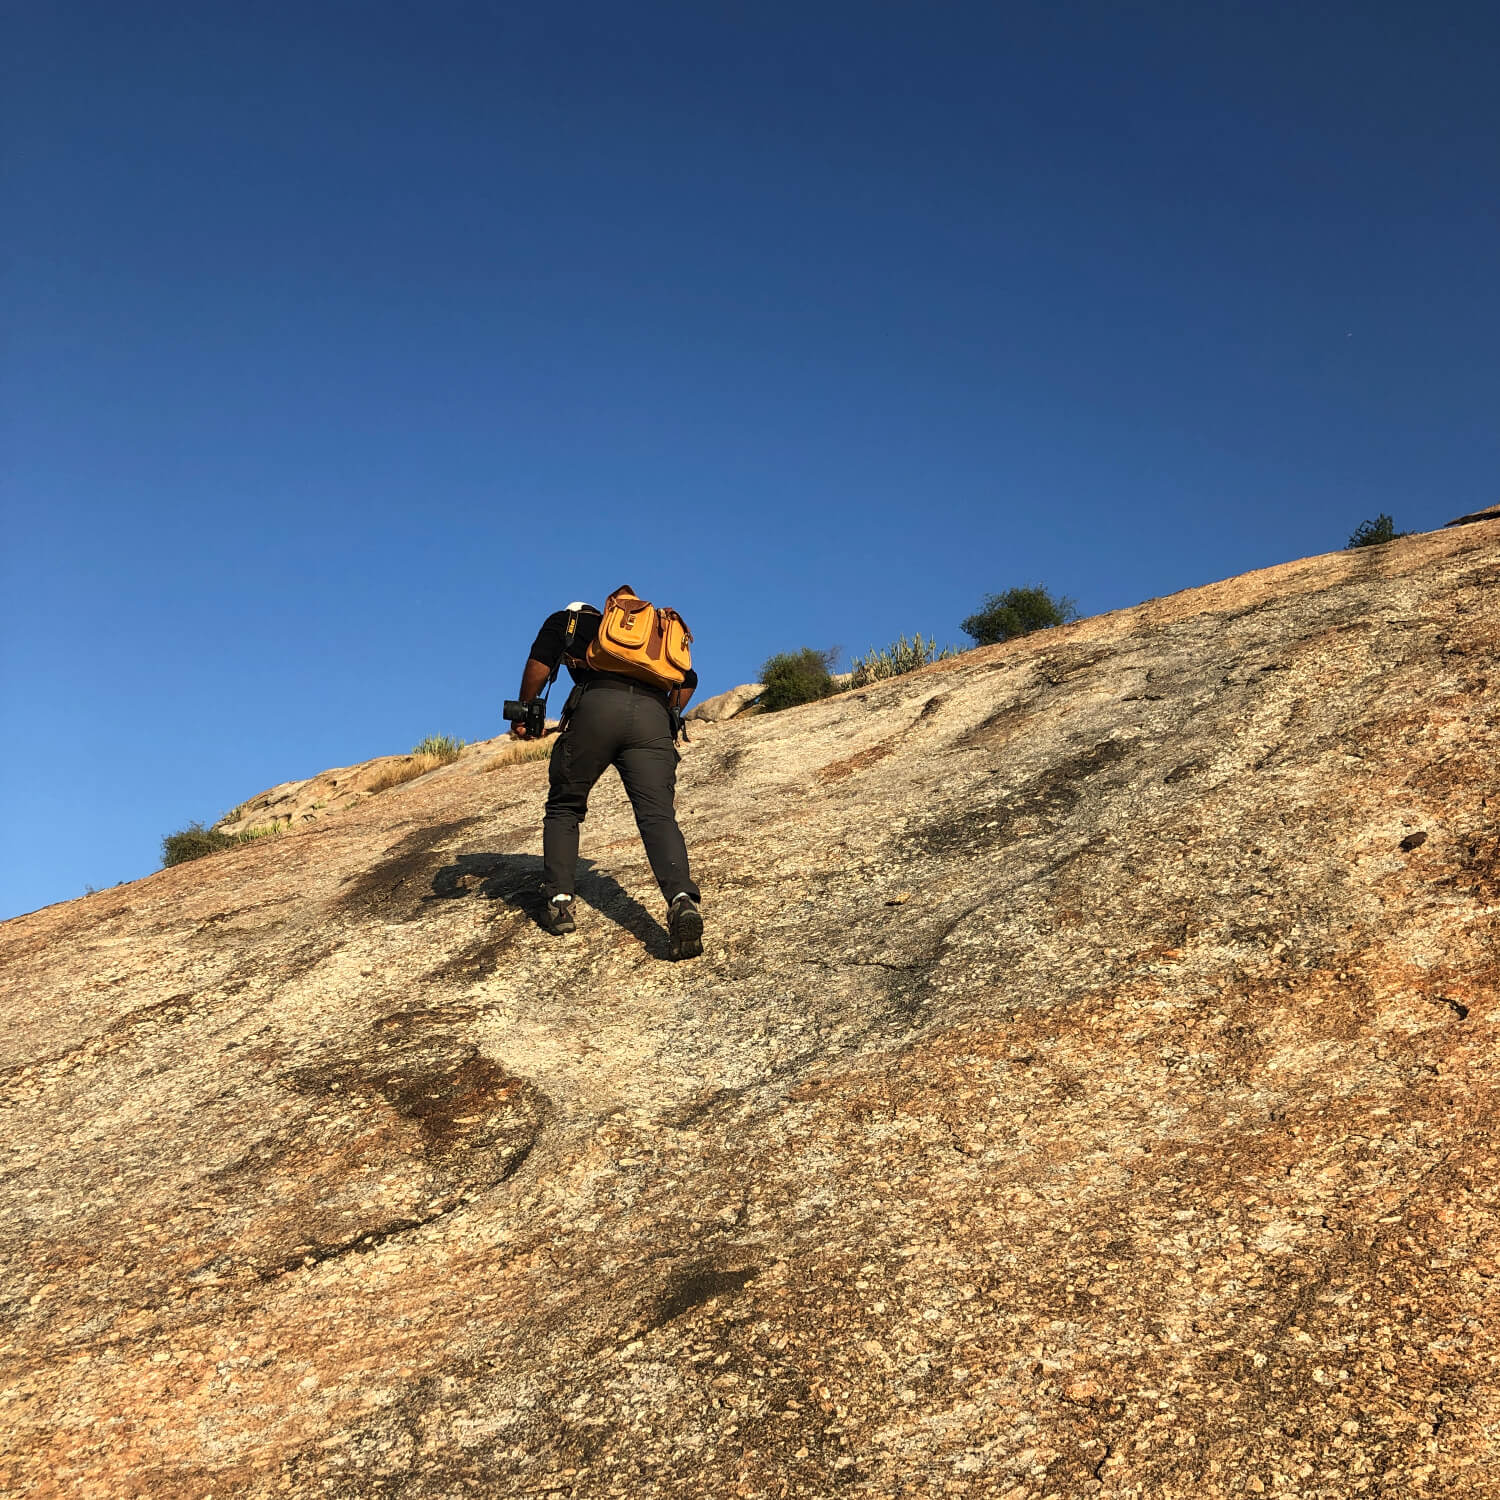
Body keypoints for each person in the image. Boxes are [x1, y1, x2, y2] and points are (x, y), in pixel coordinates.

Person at [511, 593, 704, 960]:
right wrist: (667, 716)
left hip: (596, 709)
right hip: (651, 718)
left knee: (566, 806)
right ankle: (682, 899)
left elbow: (538, 665)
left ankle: (559, 901)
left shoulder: (567, 622)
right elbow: (688, 679)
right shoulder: (647, 635)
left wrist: (525, 709)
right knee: (658, 816)